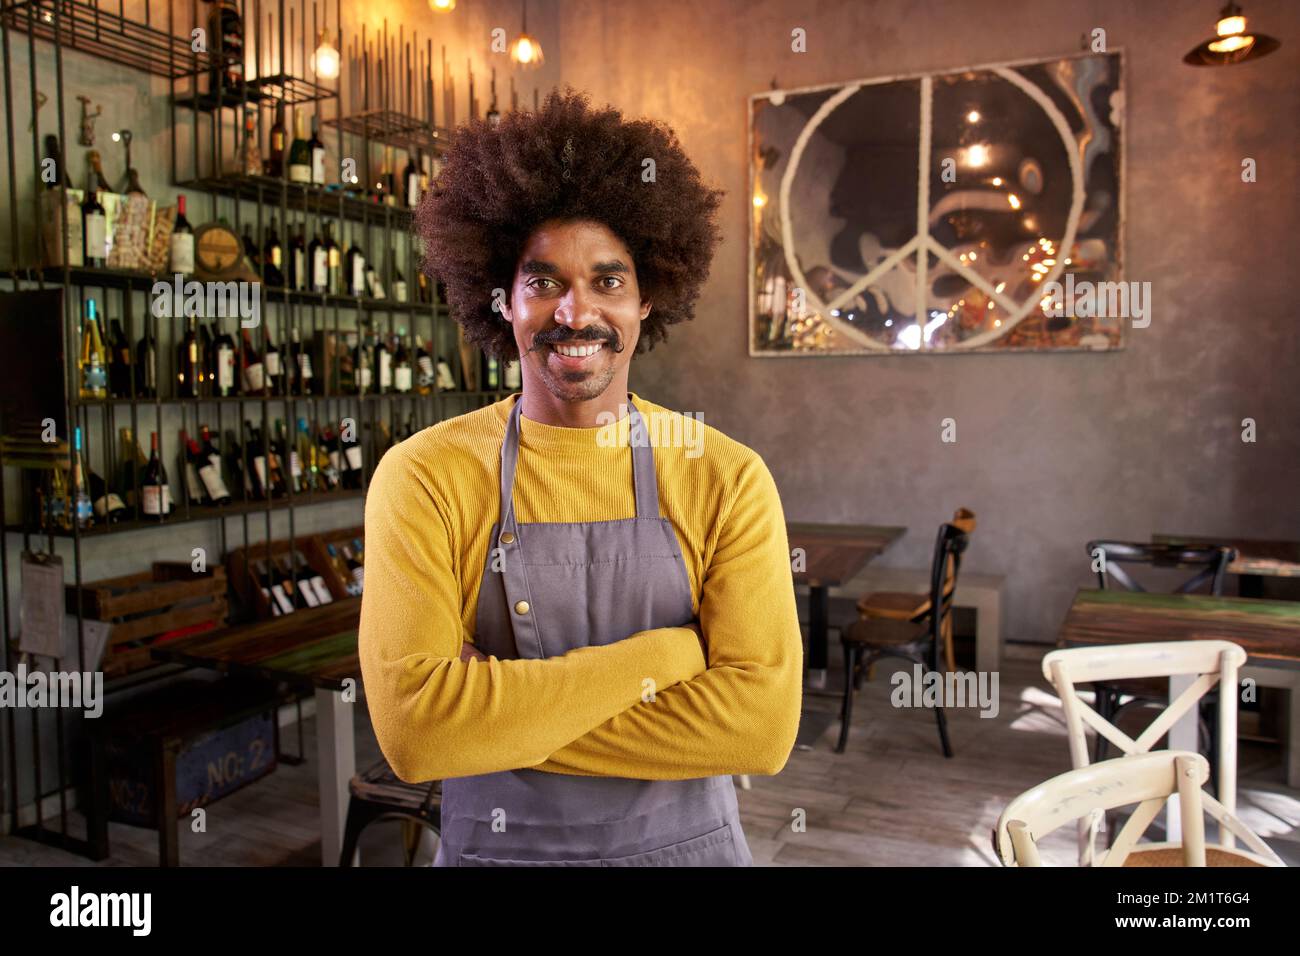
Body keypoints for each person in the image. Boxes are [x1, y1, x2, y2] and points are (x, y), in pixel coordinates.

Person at [359, 86, 803, 867]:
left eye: (606, 281)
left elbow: (761, 730)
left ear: (647, 297)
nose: (574, 312)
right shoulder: (425, 477)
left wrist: (496, 718)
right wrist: (667, 662)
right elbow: (418, 733)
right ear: (502, 299)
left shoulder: (726, 476)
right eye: (543, 282)